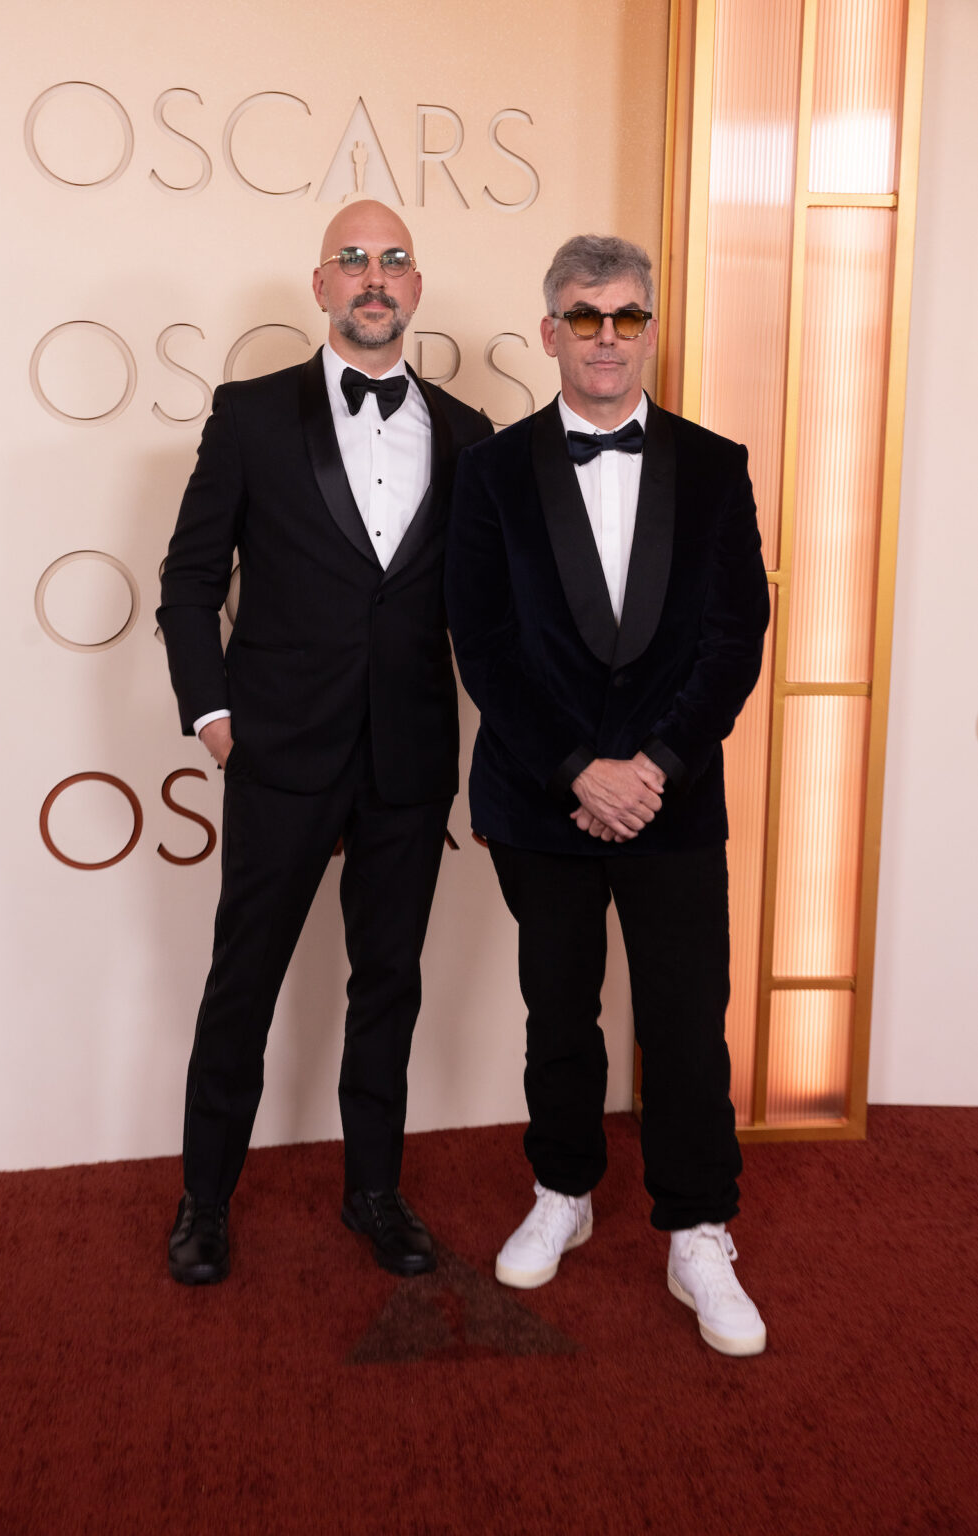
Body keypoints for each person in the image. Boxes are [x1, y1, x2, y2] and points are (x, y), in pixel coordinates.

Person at [445, 235, 771, 1356]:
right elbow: (481, 641)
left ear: (647, 328)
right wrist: (576, 768)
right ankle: (564, 1188)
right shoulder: (490, 473)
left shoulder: (716, 465)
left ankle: (696, 1227)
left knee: (686, 1022)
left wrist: (653, 768)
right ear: (549, 332)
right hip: (543, 799)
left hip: (673, 798)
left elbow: (733, 639)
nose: (604, 337)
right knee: (559, 1011)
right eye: (582, 317)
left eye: (625, 317)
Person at [158, 201, 491, 1285]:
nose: (373, 277)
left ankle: (374, 1193)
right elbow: (189, 581)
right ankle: (204, 1202)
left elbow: (488, 610)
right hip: (279, 753)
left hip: (406, 759)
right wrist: (214, 722)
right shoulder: (251, 415)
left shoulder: (467, 433)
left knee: (386, 982)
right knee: (241, 980)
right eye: (352, 259)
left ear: (416, 287)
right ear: (319, 285)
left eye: (392, 259)